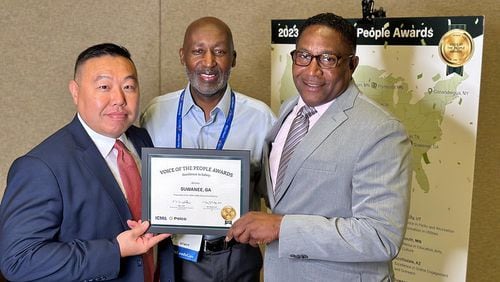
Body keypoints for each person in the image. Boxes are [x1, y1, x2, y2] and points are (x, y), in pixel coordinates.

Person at [226, 12, 412, 281]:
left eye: (327, 58)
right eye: (303, 56)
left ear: (352, 64)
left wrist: (282, 228)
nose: (312, 71)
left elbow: (381, 236)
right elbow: (285, 190)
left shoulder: (381, 132)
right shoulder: (291, 108)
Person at [0, 43, 171, 281]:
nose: (119, 99)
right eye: (104, 86)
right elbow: (18, 260)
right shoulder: (40, 167)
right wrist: (115, 250)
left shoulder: (144, 140)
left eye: (129, 87)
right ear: (75, 91)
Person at [141, 17, 276, 282]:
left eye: (220, 51)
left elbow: (273, 196)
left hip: (236, 258)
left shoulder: (262, 119)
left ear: (233, 58)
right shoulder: (155, 114)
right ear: (183, 56)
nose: (209, 62)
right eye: (198, 51)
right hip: (172, 256)